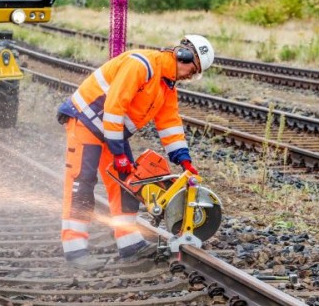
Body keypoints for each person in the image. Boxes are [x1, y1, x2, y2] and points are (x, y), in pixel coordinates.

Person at [56, 35, 215, 270]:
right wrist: (119, 153)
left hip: (111, 131)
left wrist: (184, 159)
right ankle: (75, 250)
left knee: (128, 184)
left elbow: (169, 123)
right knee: (82, 181)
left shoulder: (166, 85)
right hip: (86, 121)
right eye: (194, 69)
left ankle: (129, 243)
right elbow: (114, 107)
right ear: (184, 55)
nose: (191, 76)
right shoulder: (140, 65)